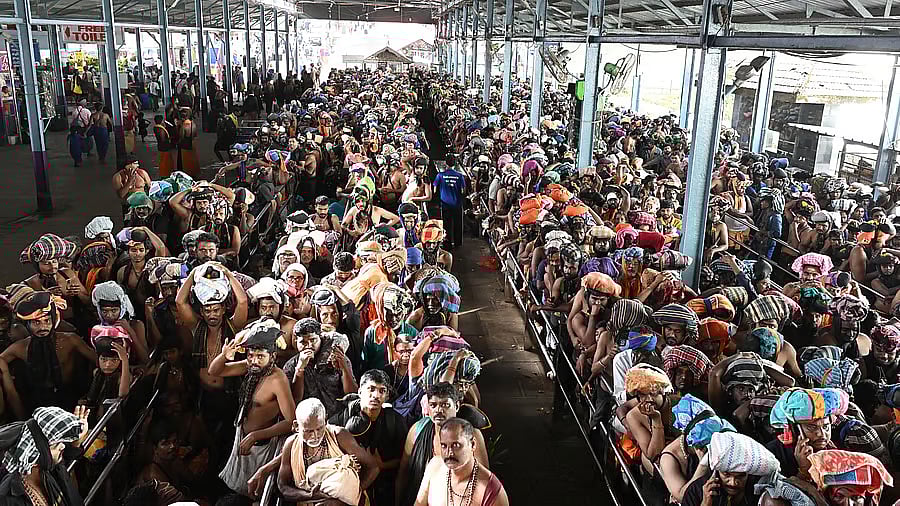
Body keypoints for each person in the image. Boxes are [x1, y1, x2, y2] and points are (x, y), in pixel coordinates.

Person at [209, 319, 296, 497]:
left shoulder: (278, 379)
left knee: (255, 492)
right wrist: (224, 354)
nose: (254, 361)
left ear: (272, 356)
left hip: (261, 445)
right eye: (250, 355)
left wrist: (256, 436)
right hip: (242, 437)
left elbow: (291, 422)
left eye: (260, 357)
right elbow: (214, 371)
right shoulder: (250, 367)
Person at [276, 398, 379, 505]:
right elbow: (283, 487)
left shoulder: (339, 436)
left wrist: (347, 496)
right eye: (309, 431)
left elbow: (373, 467)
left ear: (325, 420)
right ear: (296, 426)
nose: (315, 436)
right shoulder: (292, 445)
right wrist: (310, 495)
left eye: (320, 428)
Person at [414, 417, 508, 506]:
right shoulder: (434, 467)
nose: (449, 453)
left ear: (473, 444)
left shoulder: (491, 489)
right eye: (444, 446)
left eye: (456, 445)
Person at [432, 156, 467, 251]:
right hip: (457, 204)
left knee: (446, 224)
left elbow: (434, 189)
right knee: (458, 224)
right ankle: (458, 243)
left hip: (445, 204)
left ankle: (447, 243)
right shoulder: (460, 176)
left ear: (445, 164)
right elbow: (463, 190)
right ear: (455, 164)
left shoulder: (440, 175)